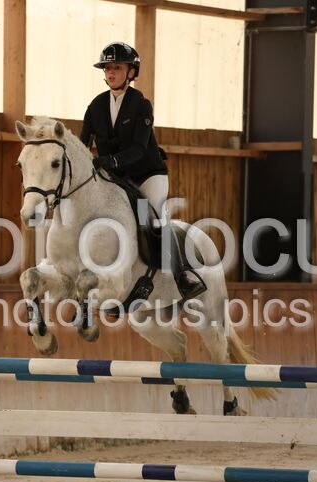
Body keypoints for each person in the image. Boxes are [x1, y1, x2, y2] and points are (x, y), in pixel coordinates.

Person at [79, 41, 206, 300]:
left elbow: (139, 147)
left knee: (155, 217)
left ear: (131, 72)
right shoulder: (95, 107)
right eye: (107, 68)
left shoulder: (141, 105)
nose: (111, 72)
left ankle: (182, 276)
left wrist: (111, 161)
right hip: (116, 179)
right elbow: (83, 146)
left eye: (117, 67)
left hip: (148, 174)